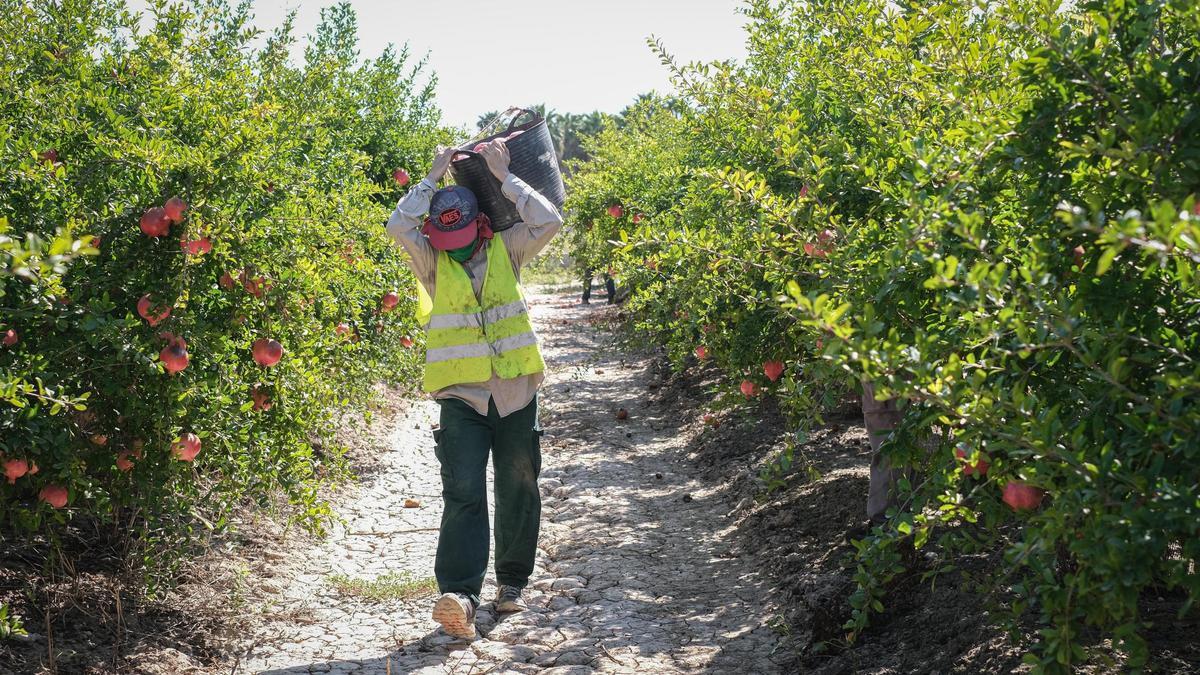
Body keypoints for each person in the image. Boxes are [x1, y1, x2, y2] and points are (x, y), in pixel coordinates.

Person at [385, 139, 563, 640]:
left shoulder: (508, 248)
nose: (454, 246)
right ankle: (460, 594)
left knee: (519, 484)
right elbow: (398, 225)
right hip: (461, 394)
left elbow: (549, 220)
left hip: (515, 390)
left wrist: (505, 178)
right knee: (461, 491)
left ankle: (511, 584)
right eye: (446, 239)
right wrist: (434, 174)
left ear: (480, 225)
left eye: (462, 235)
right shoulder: (431, 261)